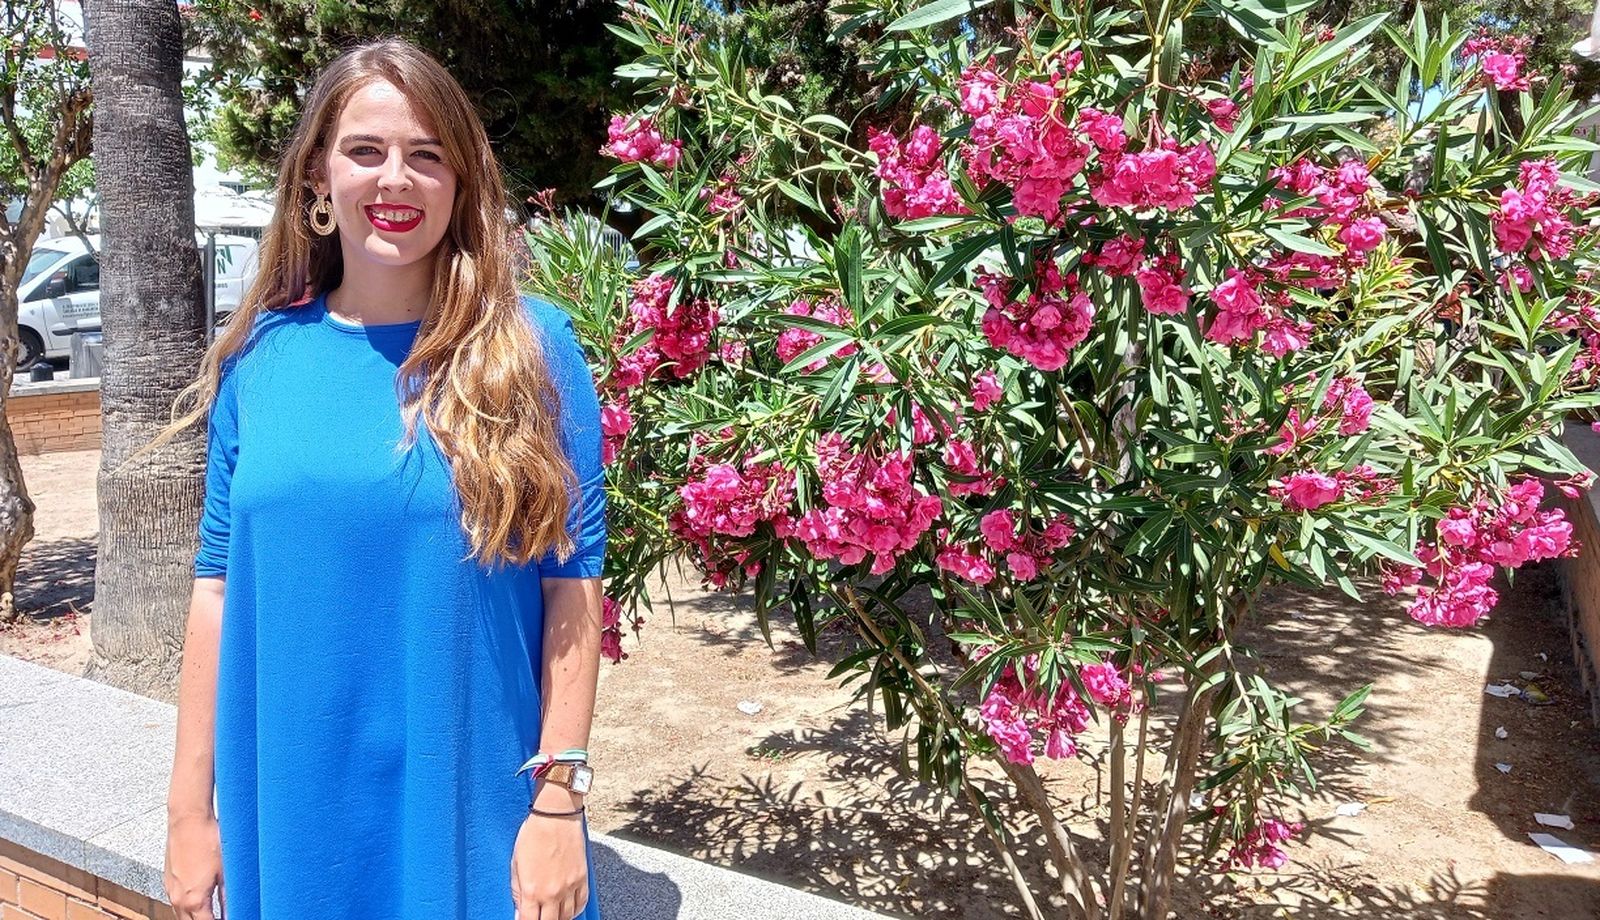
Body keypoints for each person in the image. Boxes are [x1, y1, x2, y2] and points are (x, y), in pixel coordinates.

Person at [156, 37, 606, 920]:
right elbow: (215, 591)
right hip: (288, 819)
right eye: (366, 151)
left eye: (426, 156)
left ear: (460, 184)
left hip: (473, 809)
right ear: (319, 178)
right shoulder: (259, 360)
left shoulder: (532, 351)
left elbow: (574, 589)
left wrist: (560, 803)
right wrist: (186, 812)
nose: (395, 179)